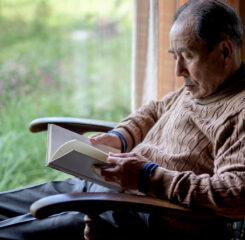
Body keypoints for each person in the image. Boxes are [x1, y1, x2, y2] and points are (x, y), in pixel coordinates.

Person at [0, 0, 244, 239]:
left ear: (224, 51)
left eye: (187, 56)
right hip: (112, 183)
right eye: (174, 56)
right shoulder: (201, 87)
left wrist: (147, 175)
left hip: (142, 213)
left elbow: (236, 195)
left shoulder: (239, 110)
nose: (178, 71)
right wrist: (120, 138)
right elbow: (154, 111)